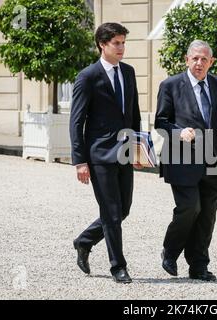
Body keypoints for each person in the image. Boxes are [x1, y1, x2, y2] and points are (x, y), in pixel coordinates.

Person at [154, 40, 217, 282]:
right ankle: (170, 251)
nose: (199, 63)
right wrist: (179, 132)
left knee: (207, 215)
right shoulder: (169, 85)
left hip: (212, 160)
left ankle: (198, 266)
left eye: (204, 59)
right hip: (181, 159)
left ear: (211, 62)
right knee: (190, 208)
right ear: (187, 59)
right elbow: (161, 122)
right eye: (195, 58)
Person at [69, 22, 142, 284]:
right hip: (99, 155)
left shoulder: (129, 73)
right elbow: (76, 121)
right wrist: (79, 161)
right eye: (116, 43)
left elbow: (134, 114)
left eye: (123, 42)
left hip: (124, 152)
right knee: (111, 212)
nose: (121, 47)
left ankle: (84, 241)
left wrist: (138, 148)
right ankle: (118, 267)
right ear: (102, 44)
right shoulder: (88, 76)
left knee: (123, 210)